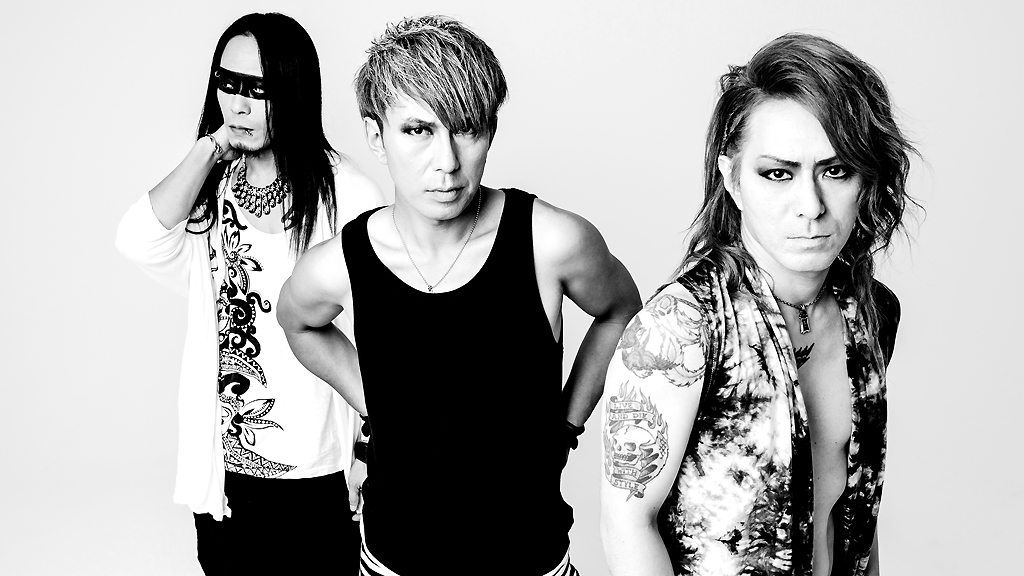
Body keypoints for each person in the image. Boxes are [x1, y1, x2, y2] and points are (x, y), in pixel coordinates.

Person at [276, 14, 642, 576]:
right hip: (393, 557)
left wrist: (566, 425)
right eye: (417, 131)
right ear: (376, 137)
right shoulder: (342, 263)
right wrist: (374, 400)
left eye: (467, 128)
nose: (446, 162)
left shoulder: (551, 241)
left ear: (490, 130)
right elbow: (296, 320)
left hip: (529, 558)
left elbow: (622, 310)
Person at [600, 33, 915, 576]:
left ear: (868, 179)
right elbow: (626, 525)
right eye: (778, 173)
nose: (810, 206)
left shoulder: (869, 313)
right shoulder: (682, 328)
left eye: (836, 170)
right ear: (732, 179)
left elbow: (854, 508)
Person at [114, 12, 383, 574]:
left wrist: (372, 454)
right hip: (226, 475)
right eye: (227, 83)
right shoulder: (212, 189)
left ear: (294, 91)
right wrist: (209, 149)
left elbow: (388, 336)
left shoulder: (347, 196)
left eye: (258, 89)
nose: (237, 105)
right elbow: (137, 239)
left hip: (317, 474)